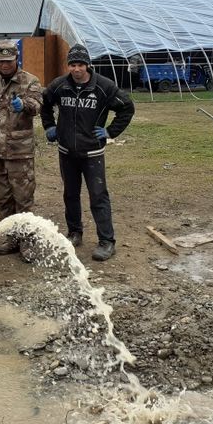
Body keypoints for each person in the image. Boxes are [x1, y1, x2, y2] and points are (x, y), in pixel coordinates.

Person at [41, 43, 135, 262]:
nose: (76, 69)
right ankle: (74, 233)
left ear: (88, 65)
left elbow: (127, 108)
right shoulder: (60, 86)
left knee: (98, 196)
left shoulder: (103, 87)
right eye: (72, 64)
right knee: (70, 194)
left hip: (92, 153)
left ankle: (106, 241)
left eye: (81, 64)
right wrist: (49, 126)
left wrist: (110, 131)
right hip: (66, 152)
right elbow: (45, 104)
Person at [0, 40, 43, 258]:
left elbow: (37, 106)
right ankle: (11, 238)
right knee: (3, 199)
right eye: (1, 60)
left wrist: (24, 105)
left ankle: (27, 242)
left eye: (9, 61)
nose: (4, 64)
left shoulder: (30, 81)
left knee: (23, 200)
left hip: (19, 153)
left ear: (16, 59)